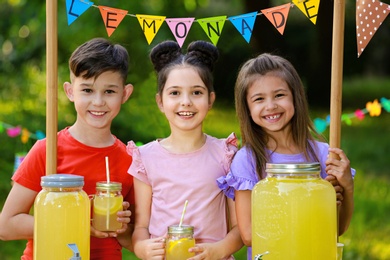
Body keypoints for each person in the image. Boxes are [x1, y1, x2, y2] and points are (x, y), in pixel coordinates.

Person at [0, 38, 135, 259]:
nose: (98, 101)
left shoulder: (130, 160)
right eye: (87, 90)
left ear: (125, 94)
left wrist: (124, 226)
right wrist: (78, 224)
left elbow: (132, 236)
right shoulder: (47, 150)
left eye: (109, 91)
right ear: (70, 91)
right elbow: (6, 226)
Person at [217, 53, 356, 259]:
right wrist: (304, 207)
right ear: (247, 108)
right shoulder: (247, 160)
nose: (271, 105)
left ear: (295, 96)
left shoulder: (324, 154)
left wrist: (347, 187)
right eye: (259, 99)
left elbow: (338, 228)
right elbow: (248, 235)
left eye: (279, 95)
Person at [127, 40, 243, 260]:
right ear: (160, 102)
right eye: (175, 93)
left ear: (210, 100)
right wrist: (141, 247)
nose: (186, 102)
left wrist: (219, 250)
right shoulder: (146, 158)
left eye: (196, 93)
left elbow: (239, 227)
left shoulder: (225, 154)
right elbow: (141, 226)